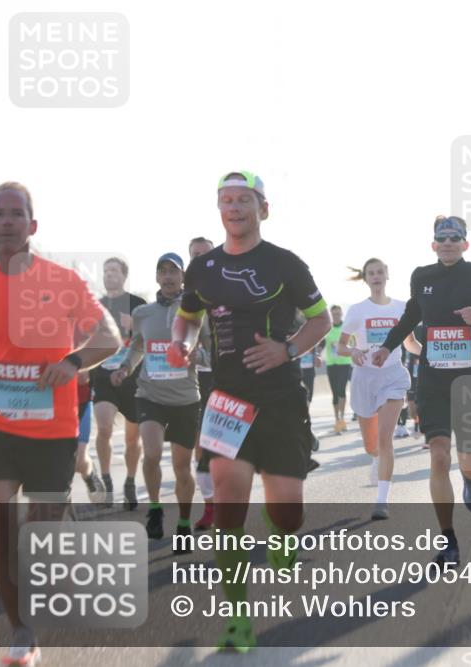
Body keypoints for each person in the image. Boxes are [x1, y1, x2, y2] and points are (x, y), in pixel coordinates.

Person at [167, 171, 331, 652]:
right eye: (226, 200)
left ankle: (283, 535)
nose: (234, 208)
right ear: (219, 209)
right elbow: (188, 318)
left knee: (287, 511)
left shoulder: (286, 264)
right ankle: (237, 617)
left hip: (280, 397)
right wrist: (181, 344)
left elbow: (320, 319)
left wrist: (288, 350)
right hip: (227, 399)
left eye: (244, 200)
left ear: (263, 208)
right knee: (228, 504)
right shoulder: (203, 268)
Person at [0, 182, 122, 667]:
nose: (6, 221)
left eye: (16, 214)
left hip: (52, 430)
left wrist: (74, 361)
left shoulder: (63, 281)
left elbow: (110, 337)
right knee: (2, 534)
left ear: (31, 226)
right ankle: (21, 631)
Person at [374, 215, 471, 566]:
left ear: (465, 243)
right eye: (442, 238)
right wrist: (387, 347)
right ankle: (449, 542)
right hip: (433, 379)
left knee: (469, 459)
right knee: (438, 456)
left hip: (470, 381)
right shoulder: (422, 277)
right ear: (433, 244)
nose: (448, 242)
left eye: (455, 238)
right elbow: (409, 316)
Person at [111, 252, 208, 552]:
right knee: (151, 454)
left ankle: (182, 524)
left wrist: (197, 356)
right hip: (149, 394)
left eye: (173, 272)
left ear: (182, 277)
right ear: (156, 277)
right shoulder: (143, 313)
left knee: (182, 467)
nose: (167, 276)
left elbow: (210, 351)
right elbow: (138, 345)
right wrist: (126, 367)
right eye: (162, 271)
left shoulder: (197, 311)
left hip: (185, 398)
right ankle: (154, 509)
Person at [337, 258, 419, 520]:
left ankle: (382, 499)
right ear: (365, 278)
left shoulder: (401, 307)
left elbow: (410, 343)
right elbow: (340, 347)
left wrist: (432, 355)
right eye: (371, 273)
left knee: (386, 438)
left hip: (393, 377)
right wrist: (353, 352)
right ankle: (376, 458)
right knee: (372, 446)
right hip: (364, 379)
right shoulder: (357, 311)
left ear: (387, 275)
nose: (376, 276)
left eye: (380, 272)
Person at [91, 256, 145, 509]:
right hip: (102, 375)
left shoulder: (138, 305)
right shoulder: (94, 306)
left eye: (114, 270)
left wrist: (133, 325)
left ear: (124, 275)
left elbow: (152, 337)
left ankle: (130, 482)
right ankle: (106, 479)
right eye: (106, 270)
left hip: (133, 379)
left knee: (133, 440)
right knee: (103, 429)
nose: (109, 274)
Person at [186, 236, 217, 531]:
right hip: (195, 379)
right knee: (201, 444)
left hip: (231, 378)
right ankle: (211, 505)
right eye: (194, 255)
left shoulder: (233, 288)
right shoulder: (186, 294)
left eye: (204, 254)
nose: (199, 259)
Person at [74, 369, 106, 500]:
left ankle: (89, 474)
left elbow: (83, 378)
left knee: (80, 462)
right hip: (49, 405)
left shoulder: (78, 347)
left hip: (80, 403)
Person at [323, 304, 353, 433]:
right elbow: (321, 344)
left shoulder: (346, 327)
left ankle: (341, 418)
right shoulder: (327, 328)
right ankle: (337, 419)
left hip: (344, 362)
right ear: (331, 314)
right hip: (331, 364)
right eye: (334, 314)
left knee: (341, 390)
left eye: (338, 314)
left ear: (341, 314)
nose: (336, 316)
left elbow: (353, 343)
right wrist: (318, 355)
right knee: (335, 393)